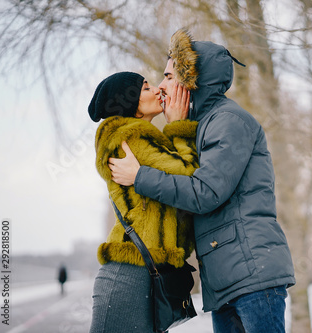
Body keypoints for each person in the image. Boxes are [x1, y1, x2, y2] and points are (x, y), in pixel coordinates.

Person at [109, 30, 296, 333]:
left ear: (190, 80)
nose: (161, 85)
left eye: (169, 76)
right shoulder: (204, 125)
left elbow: (204, 192)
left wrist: (139, 177)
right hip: (227, 282)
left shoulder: (228, 121)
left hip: (253, 277)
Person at [87, 71, 199, 332]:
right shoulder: (131, 138)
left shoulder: (138, 137)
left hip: (142, 274)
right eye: (146, 88)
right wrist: (178, 125)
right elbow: (189, 176)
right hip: (130, 276)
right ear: (129, 103)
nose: (157, 91)